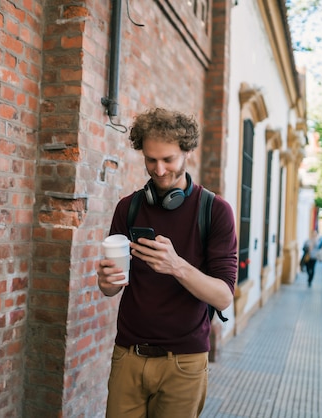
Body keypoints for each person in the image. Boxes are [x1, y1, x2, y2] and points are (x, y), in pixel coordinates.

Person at [97, 107, 238, 418]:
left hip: (184, 362)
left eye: (168, 159)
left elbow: (224, 296)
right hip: (128, 356)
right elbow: (110, 289)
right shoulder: (128, 208)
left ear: (187, 152)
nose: (159, 170)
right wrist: (106, 282)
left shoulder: (215, 212)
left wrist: (177, 266)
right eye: (151, 160)